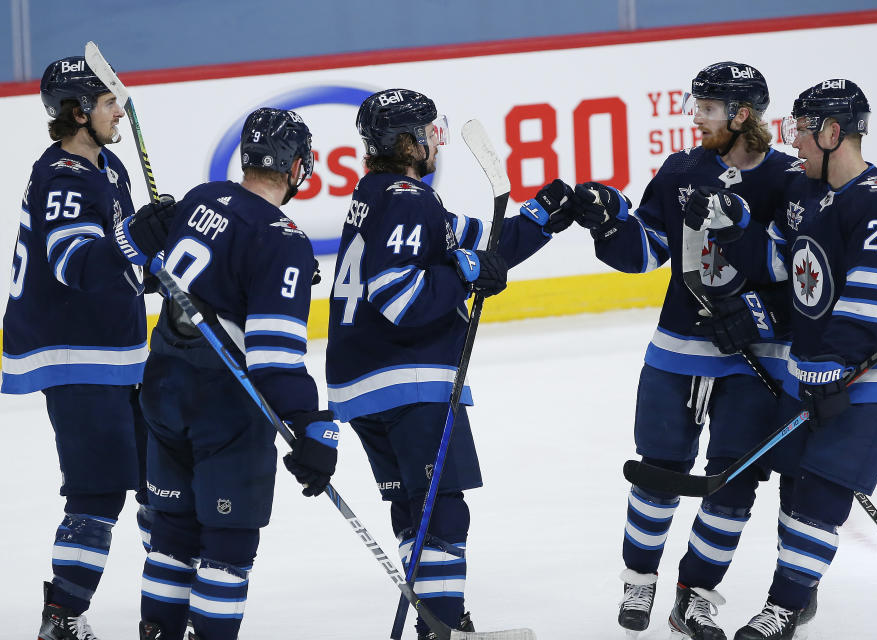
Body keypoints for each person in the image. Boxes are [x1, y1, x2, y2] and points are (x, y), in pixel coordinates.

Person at [325, 88, 575, 639]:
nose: (440, 139)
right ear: (410, 142)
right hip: (406, 380)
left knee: (418, 509)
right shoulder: (411, 201)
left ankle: (435, 623)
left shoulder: (382, 193)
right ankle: (442, 626)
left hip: (364, 382)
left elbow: (482, 242)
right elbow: (400, 298)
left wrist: (542, 216)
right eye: (431, 132)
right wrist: (464, 273)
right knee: (442, 512)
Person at [565, 62, 802, 639]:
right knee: (657, 469)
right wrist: (608, 226)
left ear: (742, 115)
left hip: (756, 356)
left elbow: (803, 267)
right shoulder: (681, 170)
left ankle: (693, 595)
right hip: (678, 347)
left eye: (708, 108)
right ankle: (639, 578)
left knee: (732, 482)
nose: (696, 117)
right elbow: (647, 250)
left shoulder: (789, 179)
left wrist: (758, 312)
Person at [688, 80, 877, 640]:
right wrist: (736, 228)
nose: (792, 139)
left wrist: (833, 363)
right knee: (795, 482)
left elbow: (873, 295)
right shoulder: (803, 189)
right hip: (815, 367)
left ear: (831, 132)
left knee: (821, 490)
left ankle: (784, 608)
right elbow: (779, 263)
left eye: (802, 127)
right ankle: (796, 590)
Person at [135, 108, 337, 640]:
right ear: (297, 166)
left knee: (172, 533)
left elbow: (144, 270)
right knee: (227, 544)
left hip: (161, 388)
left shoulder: (202, 198)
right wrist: (310, 424)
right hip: (221, 406)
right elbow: (273, 357)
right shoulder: (283, 238)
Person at [1, 55, 175, 640]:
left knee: (163, 483)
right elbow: (77, 264)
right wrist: (136, 238)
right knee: (97, 494)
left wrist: (161, 253)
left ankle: (166, 611)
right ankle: (62, 618)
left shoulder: (108, 165)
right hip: (76, 355)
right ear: (79, 113)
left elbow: (124, 266)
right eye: (107, 103)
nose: (118, 109)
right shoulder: (62, 178)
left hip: (119, 348)